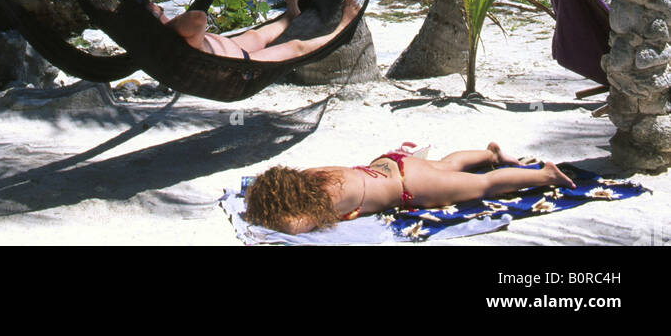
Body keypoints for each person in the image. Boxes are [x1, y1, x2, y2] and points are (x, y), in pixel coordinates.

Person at [243, 142, 576, 233]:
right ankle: (491, 152)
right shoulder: (316, 175)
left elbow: (293, 226)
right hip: (390, 163)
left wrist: (262, 214)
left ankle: (544, 175)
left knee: (484, 186)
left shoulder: (326, 200)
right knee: (447, 165)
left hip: (410, 186)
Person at [143, 0, 360, 61]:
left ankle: (290, 15)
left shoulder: (166, 37)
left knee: (258, 35)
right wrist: (168, 29)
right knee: (294, 48)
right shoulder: (172, 35)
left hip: (229, 48)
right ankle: (342, 28)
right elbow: (199, 18)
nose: (164, 14)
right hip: (240, 66)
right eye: (158, 12)